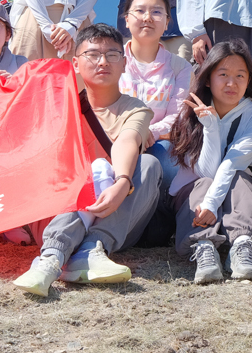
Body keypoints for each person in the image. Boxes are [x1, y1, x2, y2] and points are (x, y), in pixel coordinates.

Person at [13, 24, 161, 295]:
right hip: (59, 211)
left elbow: (127, 141)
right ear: (75, 64)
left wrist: (122, 181)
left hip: (114, 217)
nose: (103, 62)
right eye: (92, 54)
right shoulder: (59, 106)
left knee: (149, 165)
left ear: (124, 63)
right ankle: (55, 254)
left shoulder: (135, 109)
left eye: (112, 55)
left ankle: (90, 248)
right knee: (88, 169)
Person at [168, 40, 252, 284]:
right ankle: (203, 246)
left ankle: (241, 244)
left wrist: (211, 204)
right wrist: (210, 127)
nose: (231, 83)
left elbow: (230, 164)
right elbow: (207, 171)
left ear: (248, 80)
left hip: (239, 197)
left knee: (239, 175)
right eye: (223, 74)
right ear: (208, 79)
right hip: (194, 195)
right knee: (205, 182)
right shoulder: (191, 112)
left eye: (240, 75)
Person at [120, 0, 197, 166]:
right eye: (140, 11)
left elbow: (177, 116)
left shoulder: (181, 68)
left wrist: (148, 132)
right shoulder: (112, 59)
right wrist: (130, 134)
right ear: (127, 20)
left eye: (156, 12)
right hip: (113, 138)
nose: (147, 18)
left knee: (166, 161)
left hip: (157, 144)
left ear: (167, 22)